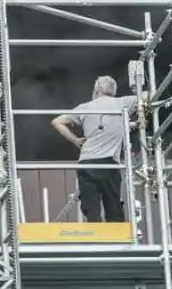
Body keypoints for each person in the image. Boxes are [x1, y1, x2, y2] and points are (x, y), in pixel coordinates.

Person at [51, 75, 137, 223]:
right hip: (109, 164)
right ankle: (116, 240)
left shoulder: (84, 107)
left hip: (88, 162)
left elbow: (57, 122)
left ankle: (96, 239)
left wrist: (76, 140)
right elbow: (149, 96)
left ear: (96, 90)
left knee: (91, 209)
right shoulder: (123, 103)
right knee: (113, 206)